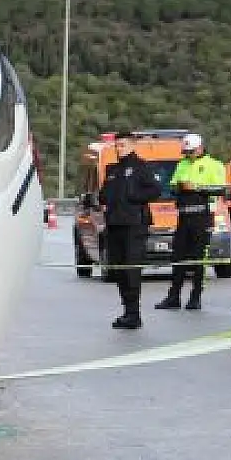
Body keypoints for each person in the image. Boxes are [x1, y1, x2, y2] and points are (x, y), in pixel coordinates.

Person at [99, 131, 163, 329]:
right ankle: (127, 311)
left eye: (123, 145)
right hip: (114, 225)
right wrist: (104, 200)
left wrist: (133, 196)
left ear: (132, 145)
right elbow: (103, 195)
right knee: (118, 269)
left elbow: (155, 190)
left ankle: (134, 314)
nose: (120, 149)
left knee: (131, 270)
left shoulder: (141, 167)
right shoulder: (112, 169)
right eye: (117, 146)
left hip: (134, 225)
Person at [155, 133, 226, 311]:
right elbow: (172, 185)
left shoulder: (214, 165)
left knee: (198, 259)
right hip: (183, 217)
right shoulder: (182, 163)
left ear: (201, 148)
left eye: (191, 151)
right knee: (177, 258)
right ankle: (174, 296)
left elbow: (221, 189)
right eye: (186, 151)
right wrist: (179, 186)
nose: (188, 154)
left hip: (202, 217)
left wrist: (196, 187)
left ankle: (195, 297)